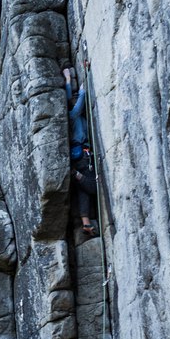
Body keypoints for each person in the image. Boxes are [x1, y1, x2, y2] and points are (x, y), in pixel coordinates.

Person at [65, 67, 99, 236]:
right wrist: (84, 90)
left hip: (81, 156)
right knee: (92, 187)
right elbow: (76, 104)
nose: (76, 99)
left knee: (83, 190)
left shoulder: (75, 116)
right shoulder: (71, 116)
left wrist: (68, 80)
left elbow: (71, 98)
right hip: (82, 157)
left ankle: (86, 223)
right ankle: (76, 174)